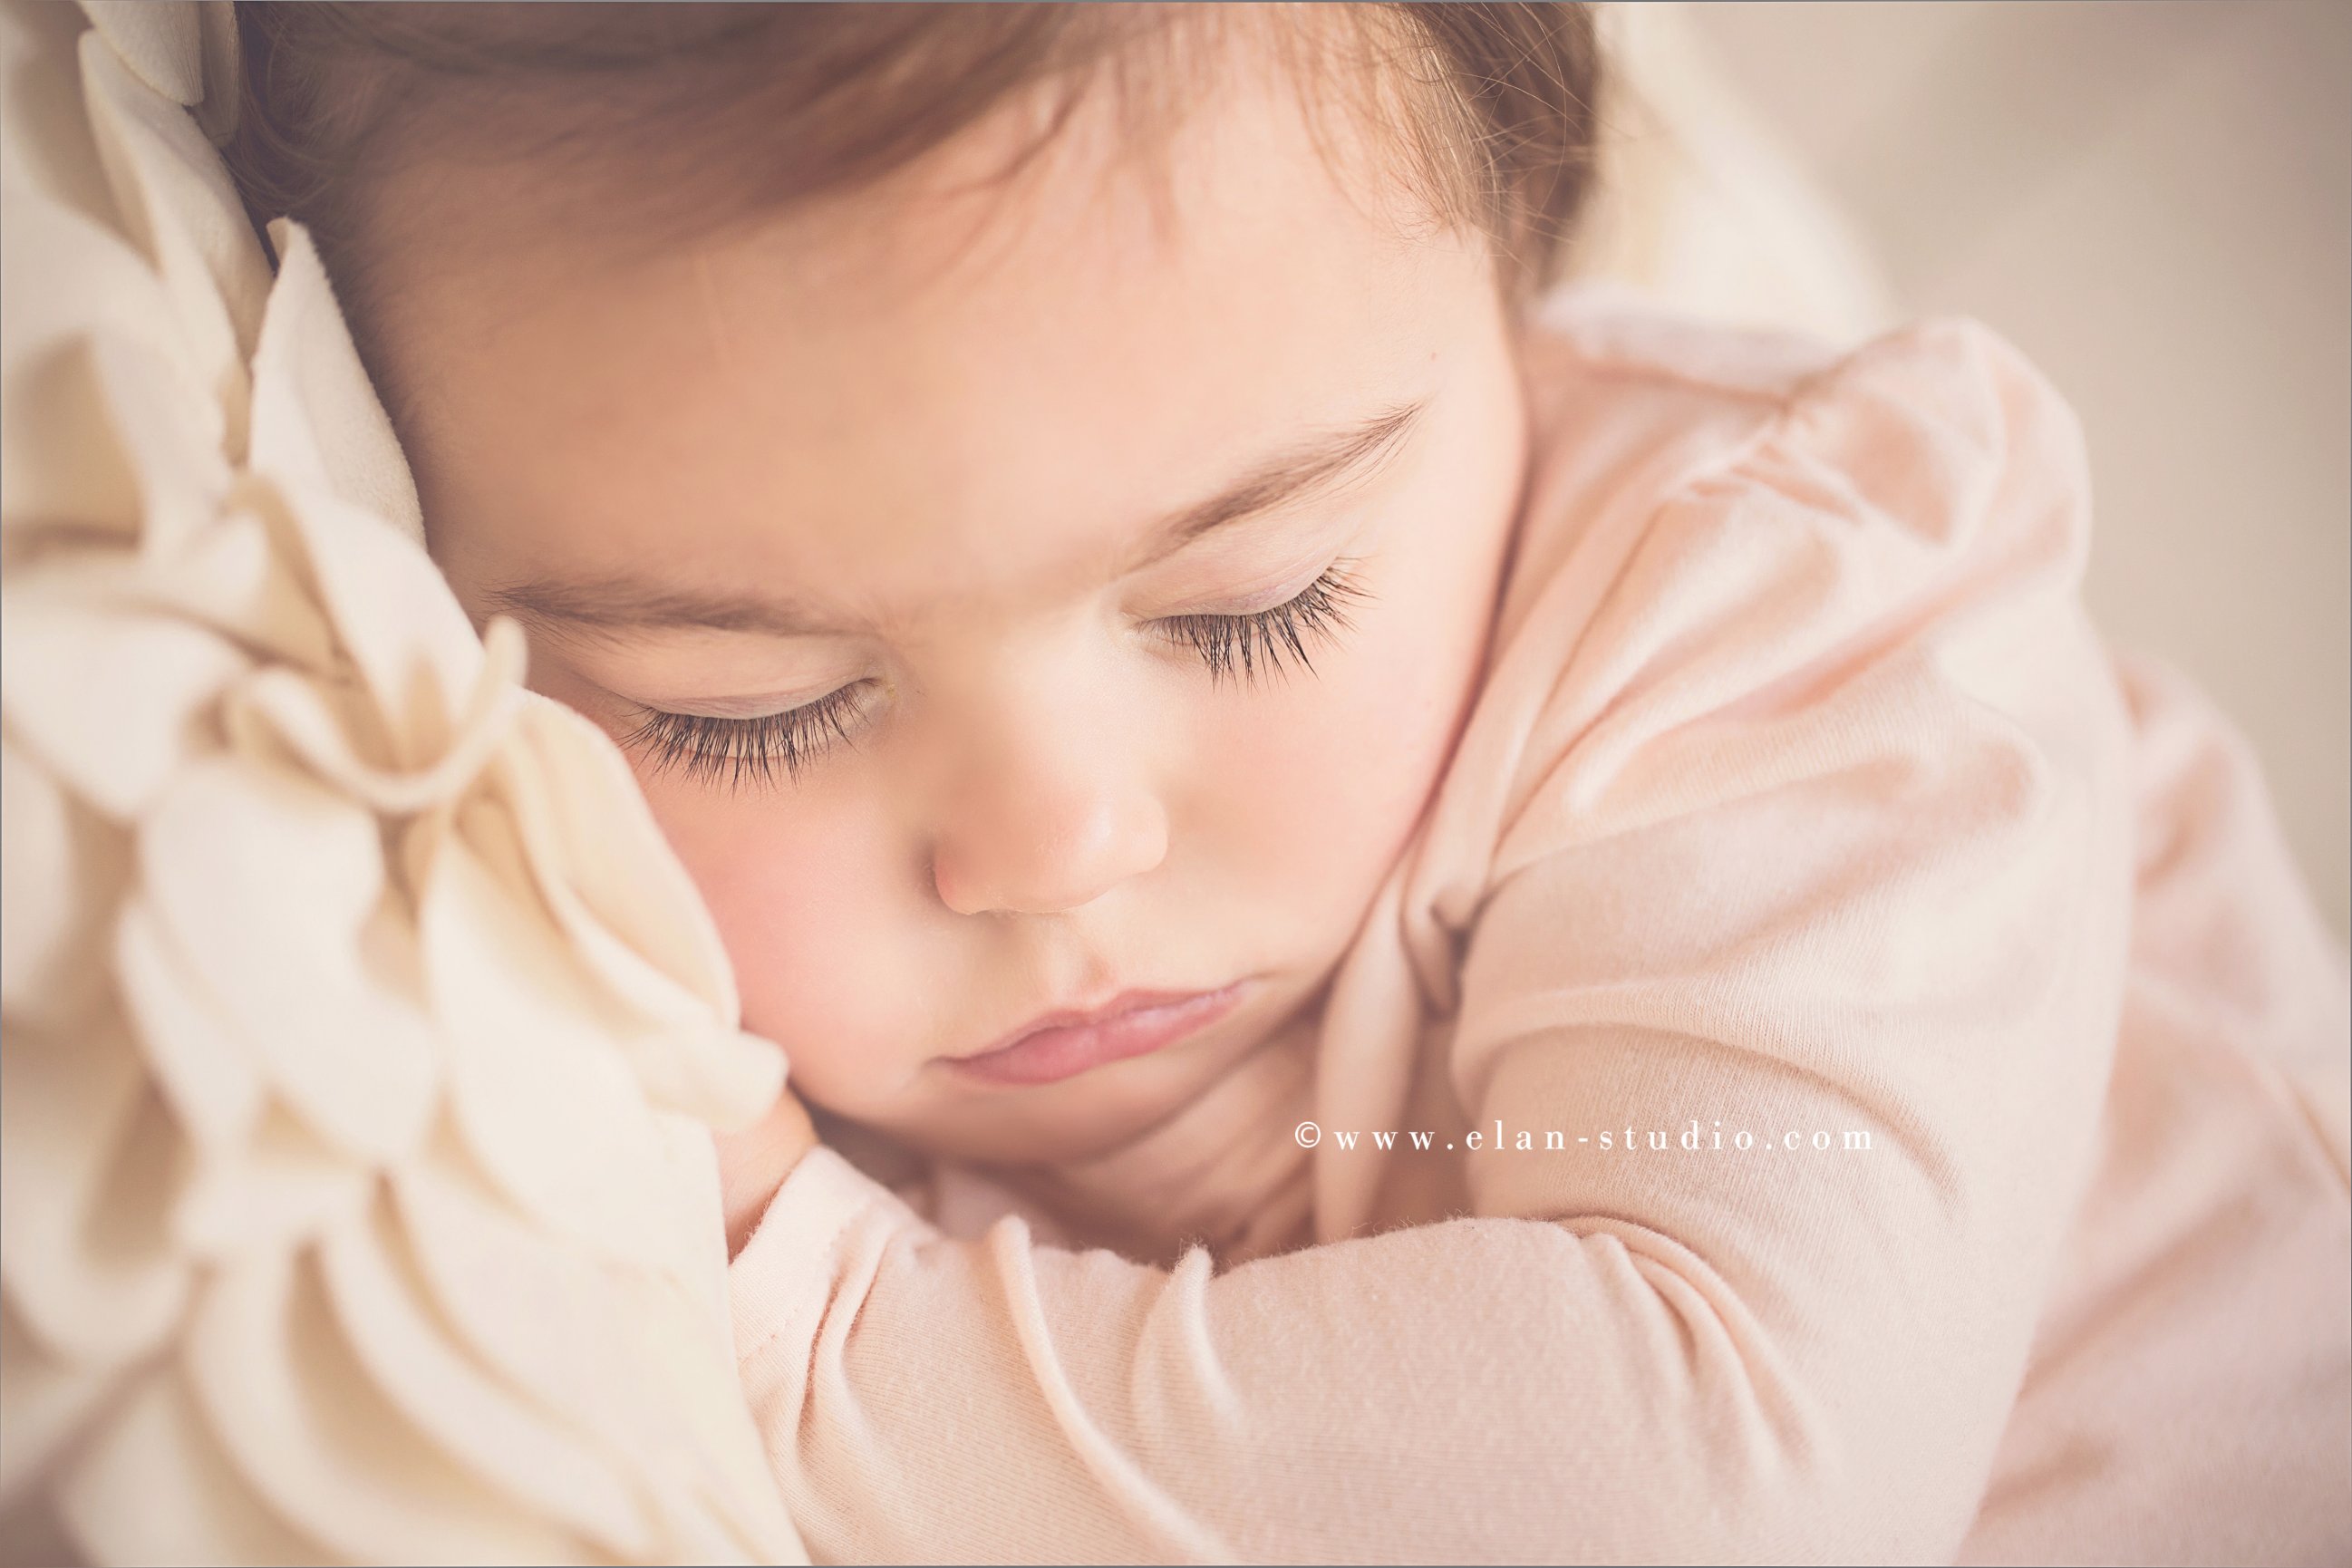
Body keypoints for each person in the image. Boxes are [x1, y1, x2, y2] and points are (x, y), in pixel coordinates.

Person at [219, 4, 2350, 1561]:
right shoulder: (593, 1023)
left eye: (1248, 608)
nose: (1056, 849)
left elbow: (1716, 1479)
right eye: (749, 708)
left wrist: (808, 1316)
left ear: (1520, 277)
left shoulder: (1784, 604)